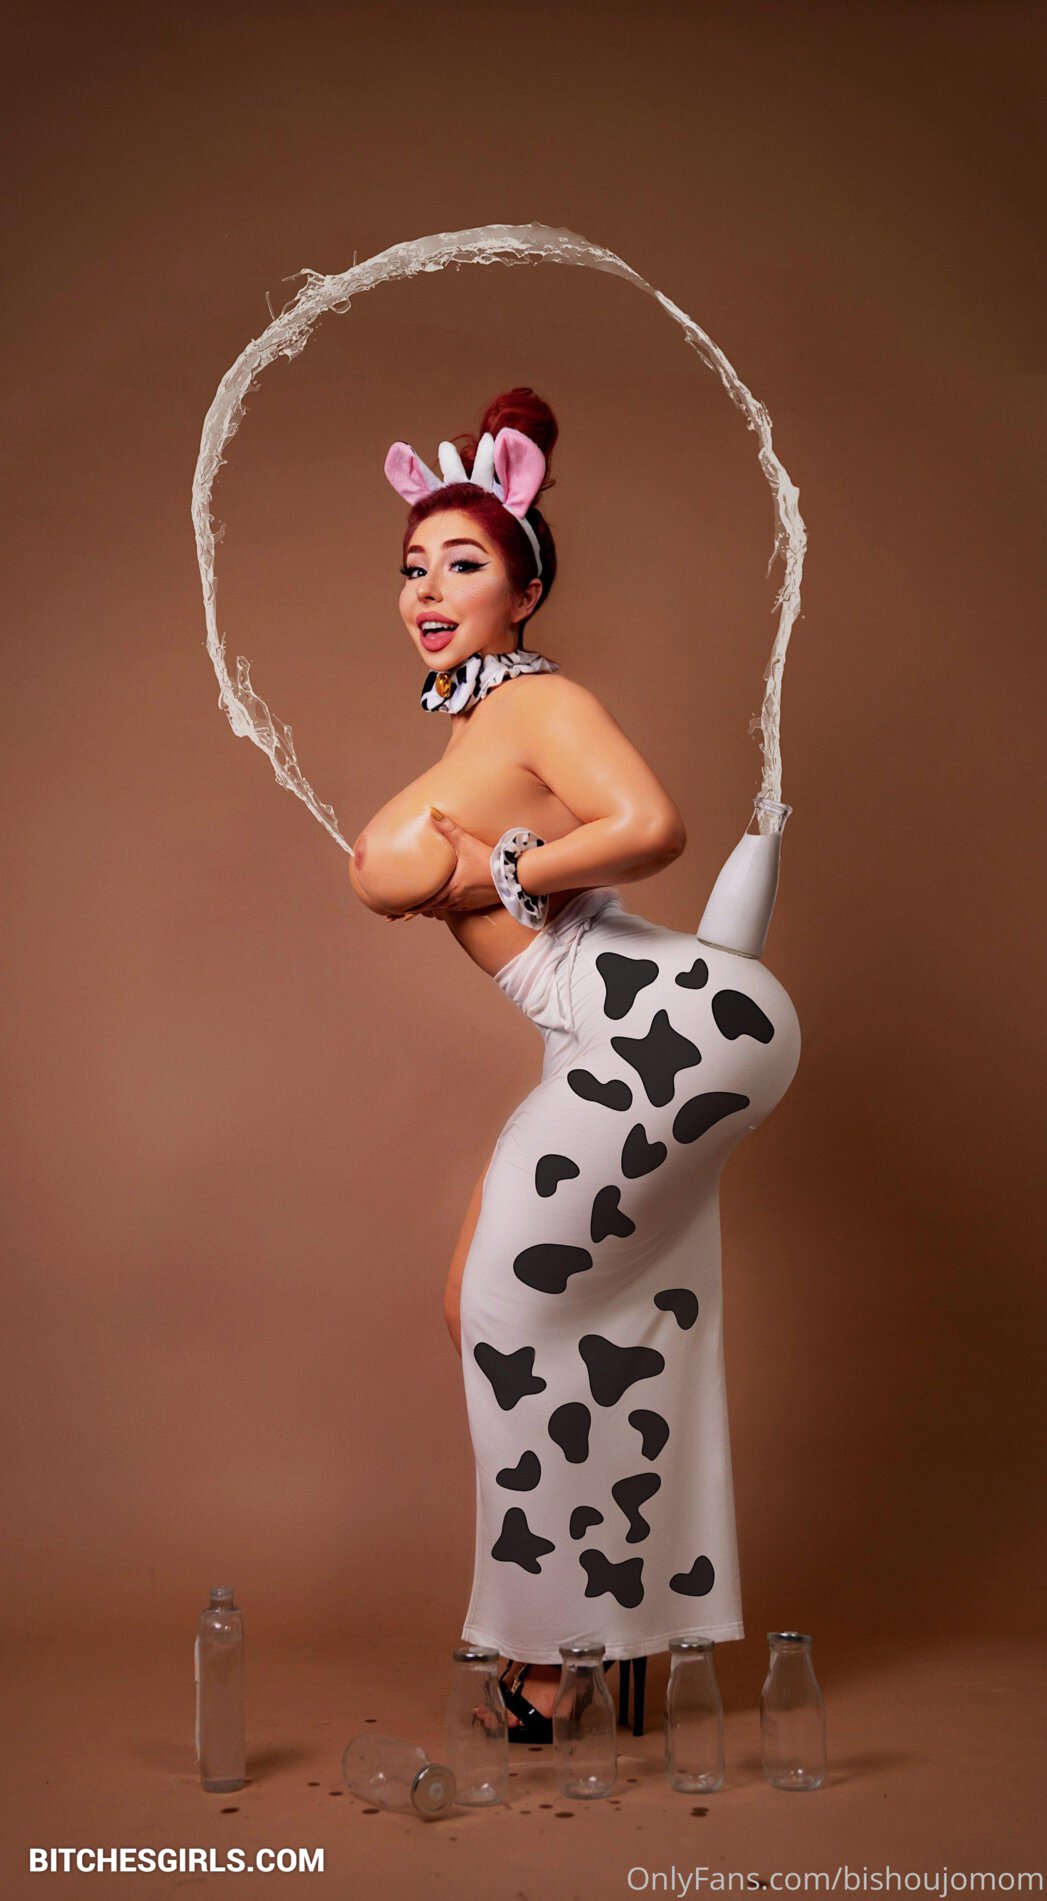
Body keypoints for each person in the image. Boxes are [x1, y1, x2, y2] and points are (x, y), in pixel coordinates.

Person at [348, 388, 801, 1740]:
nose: (429, 590)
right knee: (509, 1307)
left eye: (463, 563)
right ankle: (623, 1618)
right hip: (620, 1033)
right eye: (414, 566)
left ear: (525, 590)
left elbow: (652, 824)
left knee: (510, 1317)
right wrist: (502, 870)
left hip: (665, 1025)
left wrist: (506, 871)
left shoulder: (541, 703)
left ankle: (553, 1654)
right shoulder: (477, 728)